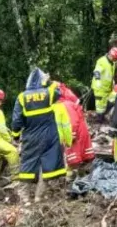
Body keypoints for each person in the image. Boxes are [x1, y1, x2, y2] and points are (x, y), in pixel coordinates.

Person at [11, 69, 73, 203]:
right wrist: (49, 82)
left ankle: (25, 198)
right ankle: (39, 197)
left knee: (28, 164)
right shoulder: (48, 93)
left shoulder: (22, 97)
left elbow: (16, 120)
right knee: (47, 166)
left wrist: (16, 135)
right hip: (49, 136)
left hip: (31, 136)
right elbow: (58, 92)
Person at [58, 83, 94, 177]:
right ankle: (82, 177)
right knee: (82, 158)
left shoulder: (64, 105)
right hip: (80, 132)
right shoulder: (68, 103)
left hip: (75, 133)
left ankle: (72, 180)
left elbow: (72, 121)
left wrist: (71, 134)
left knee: (74, 159)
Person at [91, 47, 117, 120]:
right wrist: (98, 80)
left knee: (111, 101)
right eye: (115, 58)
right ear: (111, 56)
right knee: (100, 106)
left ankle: (103, 115)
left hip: (108, 87)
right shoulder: (102, 61)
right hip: (100, 88)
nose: (115, 60)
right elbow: (97, 72)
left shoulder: (112, 62)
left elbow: (112, 67)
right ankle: (99, 119)